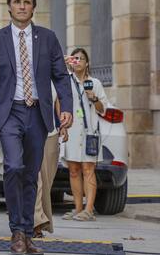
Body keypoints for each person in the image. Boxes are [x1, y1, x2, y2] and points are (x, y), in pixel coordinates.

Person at [0, 0, 73, 255]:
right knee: (14, 167)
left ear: (33, 8)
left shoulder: (48, 38)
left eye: (27, 3)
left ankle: (27, 232)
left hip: (38, 115)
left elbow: (61, 76)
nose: (22, 6)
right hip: (9, 114)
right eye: (17, 2)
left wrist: (66, 107)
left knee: (31, 175)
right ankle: (16, 230)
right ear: (9, 7)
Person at [61, 47, 110, 223]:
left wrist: (94, 98)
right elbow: (59, 101)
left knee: (88, 169)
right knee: (74, 171)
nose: (78, 61)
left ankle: (89, 210)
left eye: (81, 58)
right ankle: (78, 208)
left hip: (90, 132)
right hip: (73, 131)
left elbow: (103, 110)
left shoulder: (94, 83)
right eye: (74, 58)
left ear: (87, 63)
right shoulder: (66, 80)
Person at [33, 85, 67, 238]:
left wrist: (63, 126)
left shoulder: (55, 74)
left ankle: (38, 220)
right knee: (36, 177)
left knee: (46, 181)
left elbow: (58, 100)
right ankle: (36, 222)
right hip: (31, 131)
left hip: (51, 133)